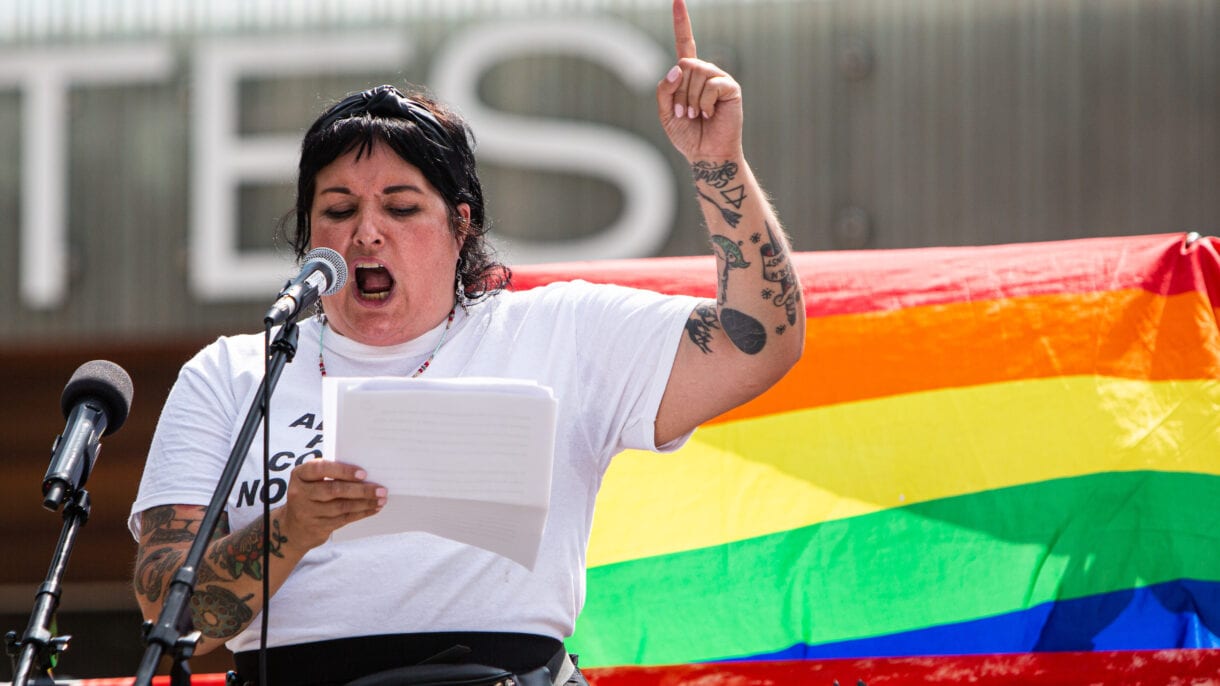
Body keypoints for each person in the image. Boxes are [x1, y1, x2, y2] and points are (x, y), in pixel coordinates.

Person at [129, 1, 804, 684]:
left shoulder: (558, 332)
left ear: (460, 226)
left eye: (400, 207)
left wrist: (718, 163)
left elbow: (760, 342)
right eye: (338, 210)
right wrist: (291, 527)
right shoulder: (231, 375)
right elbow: (166, 608)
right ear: (310, 234)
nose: (366, 232)